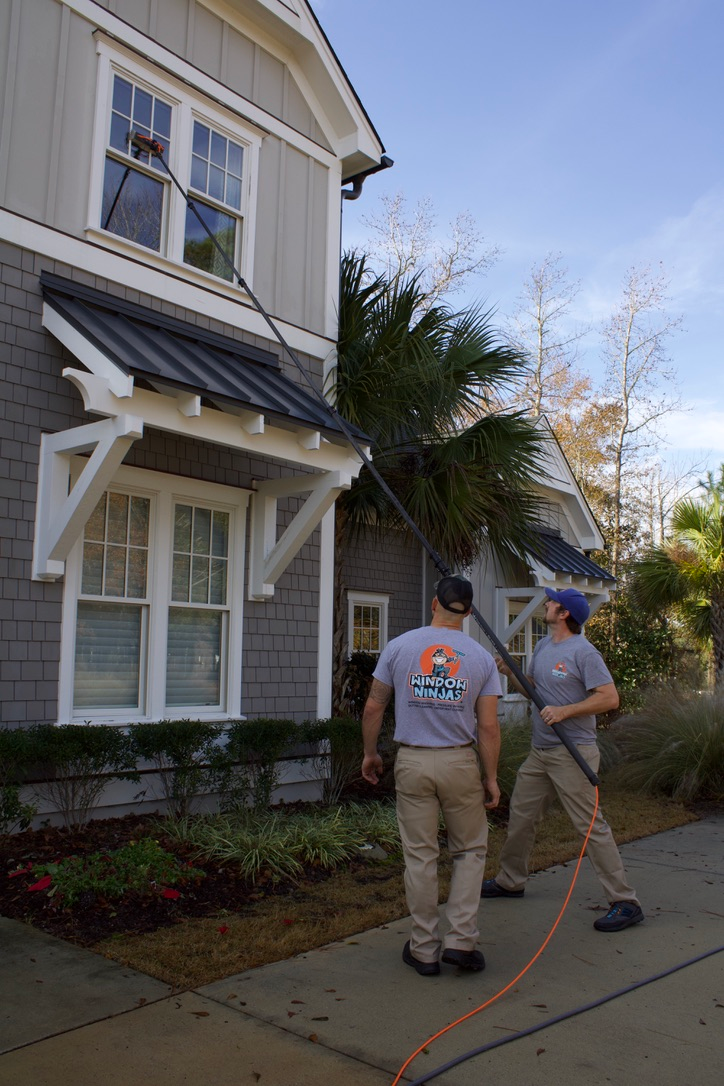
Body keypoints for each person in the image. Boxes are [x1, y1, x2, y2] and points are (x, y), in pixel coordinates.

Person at [361, 575, 502, 976]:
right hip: (459, 762)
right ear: (469, 613)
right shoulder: (478, 657)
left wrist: (371, 753)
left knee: (420, 857)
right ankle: (461, 941)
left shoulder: (400, 646)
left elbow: (374, 706)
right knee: (470, 851)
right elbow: (489, 728)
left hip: (413, 762)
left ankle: (424, 948)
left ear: (434, 604)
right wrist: (490, 777)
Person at [483, 587, 644, 933]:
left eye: (553, 602)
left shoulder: (583, 652)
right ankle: (511, 881)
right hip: (540, 752)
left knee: (591, 827)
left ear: (565, 613)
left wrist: (567, 710)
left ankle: (625, 901)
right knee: (522, 817)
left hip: (574, 753)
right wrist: (511, 672)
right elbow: (534, 691)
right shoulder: (544, 646)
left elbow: (609, 698)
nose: (547, 603)